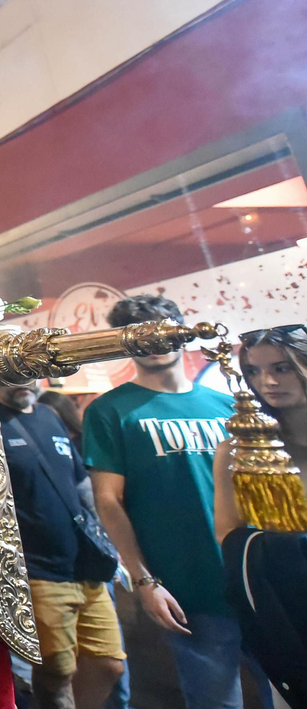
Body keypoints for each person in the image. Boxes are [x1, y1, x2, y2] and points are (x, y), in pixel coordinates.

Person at [84, 295, 259, 709]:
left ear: (181, 329)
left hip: (254, 573)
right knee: (216, 702)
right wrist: (144, 579)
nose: (155, 343)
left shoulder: (229, 405)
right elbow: (109, 501)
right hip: (188, 585)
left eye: (163, 330)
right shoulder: (110, 410)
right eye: (140, 336)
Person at [0, 382, 125, 709]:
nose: (22, 381)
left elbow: (81, 485)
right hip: (36, 568)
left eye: (29, 372)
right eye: (12, 373)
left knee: (109, 663)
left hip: (84, 565)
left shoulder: (49, 418)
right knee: (57, 671)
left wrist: (110, 544)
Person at [212, 325, 307, 707]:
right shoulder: (237, 449)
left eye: (282, 368)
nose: (267, 381)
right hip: (289, 605)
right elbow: (228, 533)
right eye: (253, 371)